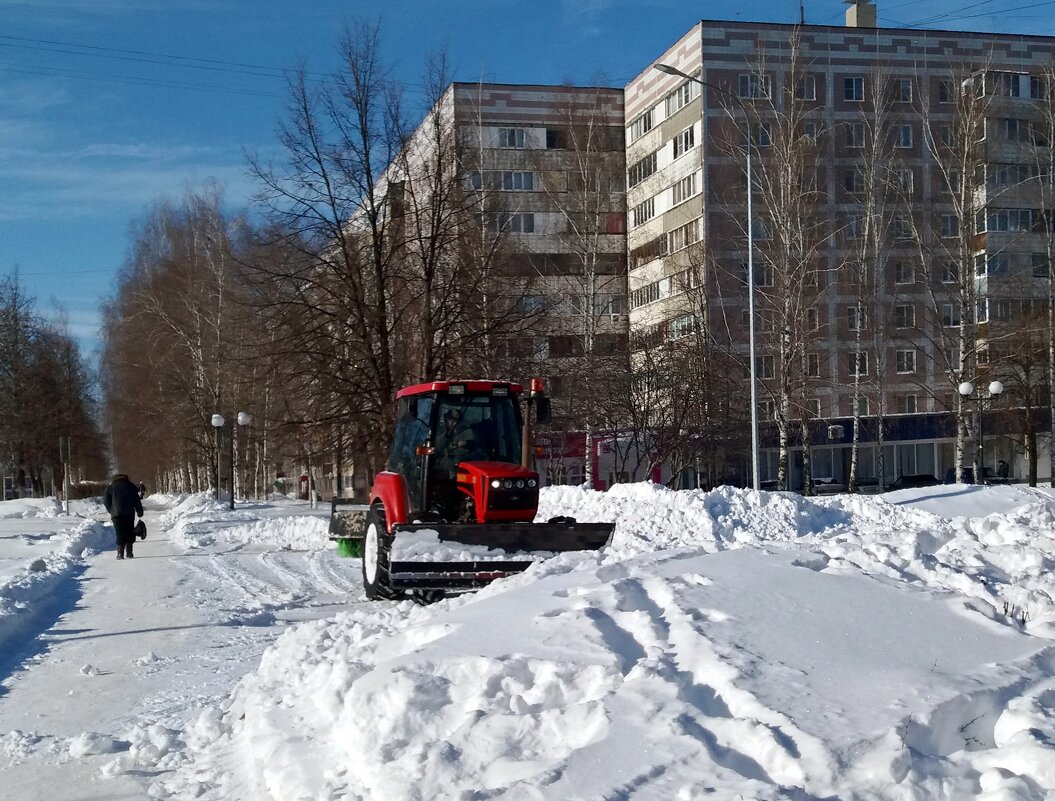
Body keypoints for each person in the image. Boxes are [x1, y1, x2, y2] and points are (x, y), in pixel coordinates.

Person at [104, 472, 145, 560]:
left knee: (119, 532)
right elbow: (136, 500)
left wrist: (111, 510)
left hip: (116, 514)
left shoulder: (111, 487)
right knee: (130, 531)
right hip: (129, 513)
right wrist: (139, 511)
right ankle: (129, 552)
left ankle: (120, 553)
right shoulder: (131, 486)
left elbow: (106, 501)